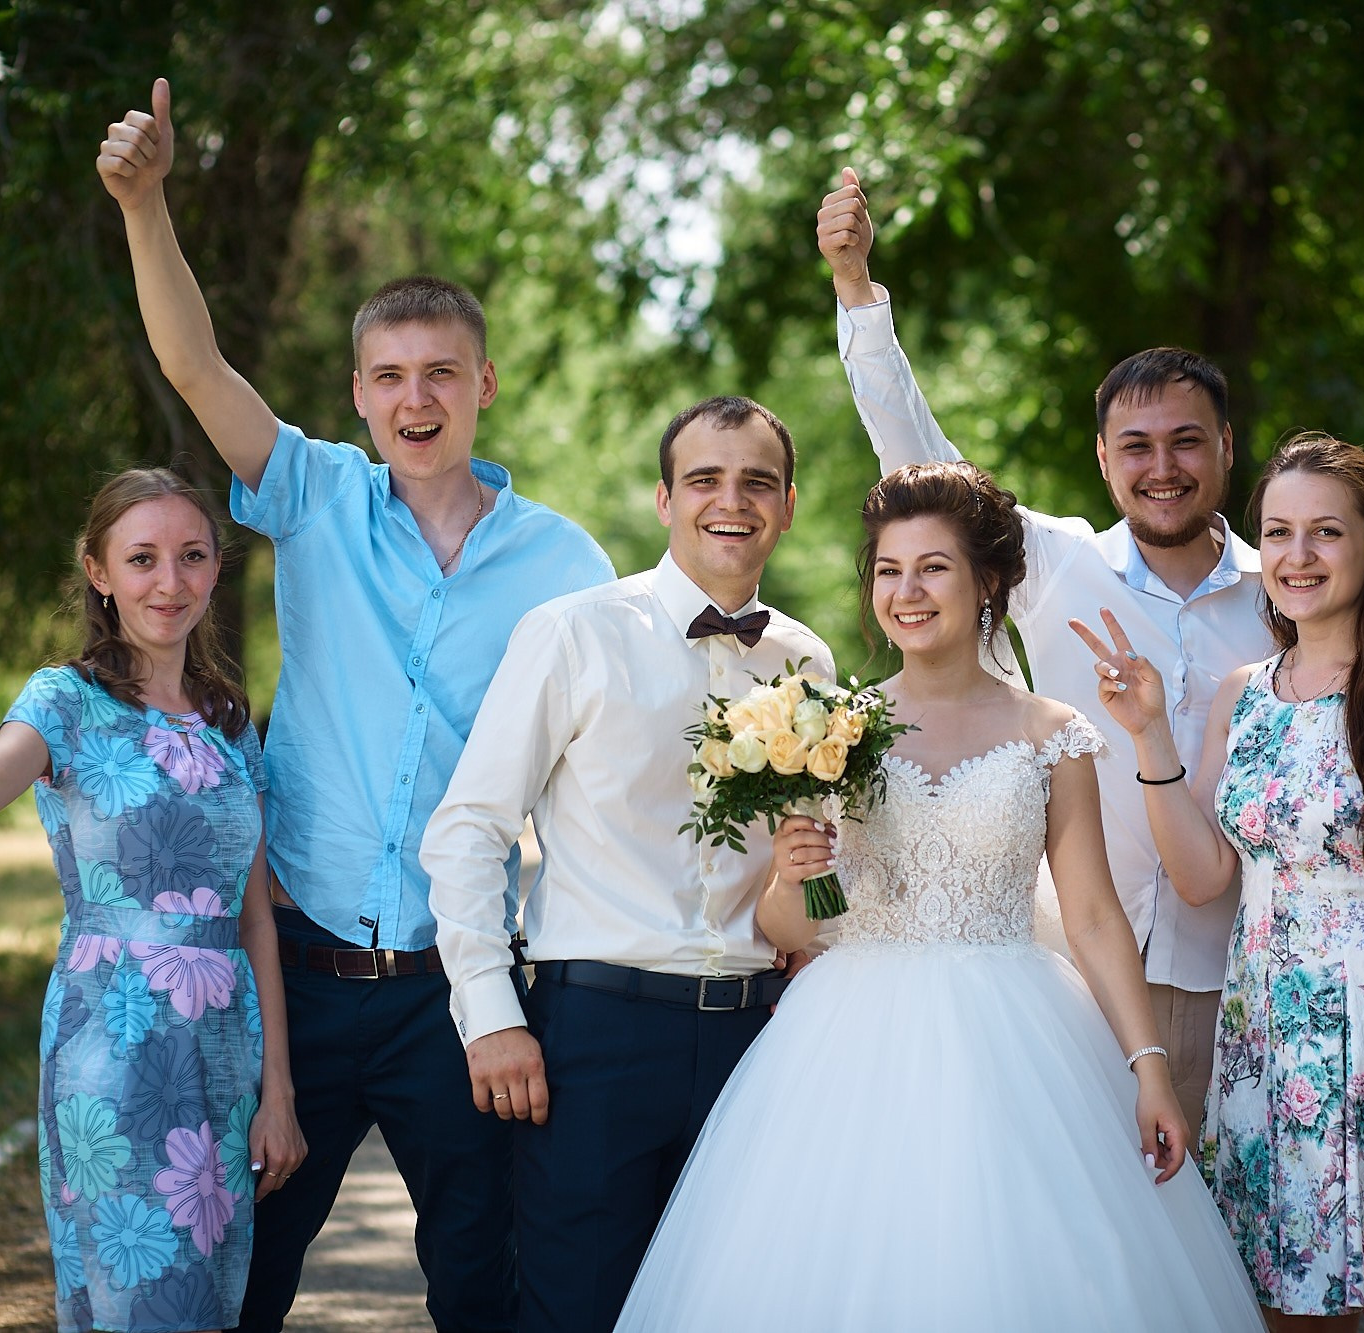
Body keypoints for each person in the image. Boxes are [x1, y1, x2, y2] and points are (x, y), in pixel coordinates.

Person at [96, 80, 615, 1332]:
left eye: (440, 372)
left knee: (481, 1291)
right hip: (300, 972)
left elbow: (609, 762)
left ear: (482, 383)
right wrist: (145, 202)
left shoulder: (568, 565)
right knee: (243, 1281)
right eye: (389, 376)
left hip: (462, 984)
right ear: (357, 393)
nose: (415, 397)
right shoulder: (312, 493)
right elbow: (190, 359)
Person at [612, 461, 1262, 1330]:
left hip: (1022, 1043)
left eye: (932, 568)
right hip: (848, 1045)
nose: (906, 591)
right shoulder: (827, 728)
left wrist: (1148, 1070)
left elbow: (1096, 917)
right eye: (888, 569)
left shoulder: (1054, 734)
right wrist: (792, 877)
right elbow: (783, 925)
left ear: (987, 582)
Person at [817, 169, 1273, 1132]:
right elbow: (920, 467)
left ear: (1226, 449)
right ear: (1103, 459)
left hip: (1250, 981)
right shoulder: (1057, 566)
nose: (1162, 467)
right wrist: (858, 293)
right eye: (1135, 445)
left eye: (1185, 442)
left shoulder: (1286, 594)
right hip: (1075, 987)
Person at [1073, 434, 1364, 1324]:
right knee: (1283, 1311)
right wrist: (1149, 738)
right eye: (1278, 533)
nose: (1297, 556)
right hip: (1265, 1055)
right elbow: (1206, 874)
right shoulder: (1243, 693)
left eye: (1325, 533)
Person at [423, 396, 833, 1333]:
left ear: (788, 504)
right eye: (705, 480)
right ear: (663, 498)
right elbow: (468, 828)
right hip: (592, 1037)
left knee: (739, 1309)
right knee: (576, 1308)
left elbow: (817, 865)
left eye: (757, 482)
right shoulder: (573, 633)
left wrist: (821, 920)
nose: (731, 501)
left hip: (757, 1042)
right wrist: (489, 1016)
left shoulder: (808, 662)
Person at [0, 470, 305, 1333]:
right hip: (112, 1050)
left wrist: (279, 1093)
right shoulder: (64, 701)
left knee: (210, 1302)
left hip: (223, 1048)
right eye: (142, 558)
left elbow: (256, 914)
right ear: (99, 573)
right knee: (133, 1292)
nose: (170, 581)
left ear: (215, 571)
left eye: (191, 557)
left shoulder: (231, 720)